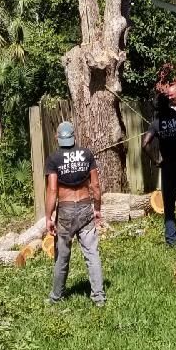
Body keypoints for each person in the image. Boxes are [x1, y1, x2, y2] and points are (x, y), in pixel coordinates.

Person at [45, 121, 105, 307]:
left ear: (57, 137)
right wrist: (97, 208)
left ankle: (56, 297)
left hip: (66, 211)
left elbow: (52, 190)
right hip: (86, 207)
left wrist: (48, 217)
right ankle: (99, 297)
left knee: (62, 256)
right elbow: (95, 185)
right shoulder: (86, 154)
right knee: (92, 254)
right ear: (73, 136)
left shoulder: (54, 158)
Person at [143, 82, 176, 246]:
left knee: (169, 205)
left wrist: (156, 161)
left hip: (167, 168)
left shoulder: (156, 123)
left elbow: (144, 144)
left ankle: (172, 240)